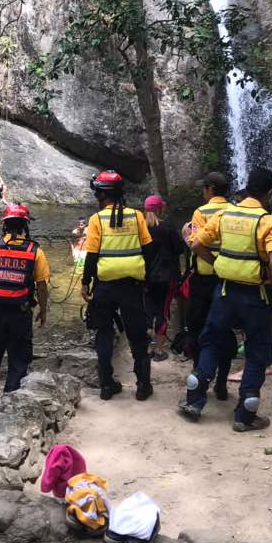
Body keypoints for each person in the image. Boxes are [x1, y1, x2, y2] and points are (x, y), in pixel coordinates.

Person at [182, 167, 272, 430]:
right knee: (257, 350)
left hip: (225, 292)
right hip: (255, 296)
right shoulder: (269, 223)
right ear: (269, 193)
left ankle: (194, 400)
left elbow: (195, 244)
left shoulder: (224, 214)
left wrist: (216, 263)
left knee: (212, 341)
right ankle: (245, 414)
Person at [0, 203, 50, 417]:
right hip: (20, 314)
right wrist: (43, 310)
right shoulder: (35, 251)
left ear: (4, 226)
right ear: (24, 226)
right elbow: (42, 285)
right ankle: (9, 407)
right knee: (18, 361)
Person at [81, 170, 154, 401]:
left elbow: (92, 255)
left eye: (98, 192)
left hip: (105, 285)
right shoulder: (137, 216)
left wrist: (86, 283)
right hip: (132, 285)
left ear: (103, 194)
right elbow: (148, 250)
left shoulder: (97, 220)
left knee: (103, 333)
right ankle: (143, 385)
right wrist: (147, 280)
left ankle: (106, 385)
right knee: (137, 334)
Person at [179, 171, 232, 366]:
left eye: (204, 188)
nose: (203, 191)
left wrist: (186, 237)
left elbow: (196, 244)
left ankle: (199, 369)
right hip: (228, 278)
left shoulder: (201, 213)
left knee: (197, 325)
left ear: (210, 189)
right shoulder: (235, 210)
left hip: (204, 279)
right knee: (223, 326)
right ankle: (221, 380)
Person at [142, 195, 185, 362]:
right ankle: (159, 352)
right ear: (160, 209)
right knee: (162, 313)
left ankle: (146, 349)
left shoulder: (141, 229)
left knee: (148, 313)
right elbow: (180, 249)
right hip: (167, 279)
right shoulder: (168, 228)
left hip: (145, 278)